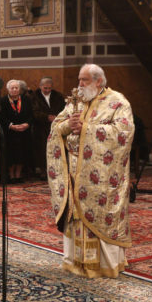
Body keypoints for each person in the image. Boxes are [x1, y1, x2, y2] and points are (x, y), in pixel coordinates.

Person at [48, 64, 134, 279]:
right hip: (74, 172)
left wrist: (86, 128)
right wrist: (68, 125)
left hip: (102, 175)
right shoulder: (76, 100)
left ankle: (104, 264)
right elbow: (57, 126)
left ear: (98, 81)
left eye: (84, 80)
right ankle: (75, 260)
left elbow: (123, 133)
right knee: (76, 215)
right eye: (79, 79)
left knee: (99, 214)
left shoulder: (118, 102)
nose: (80, 84)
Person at [0, 80, 33, 183]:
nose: (14, 90)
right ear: (8, 89)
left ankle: (18, 174)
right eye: (12, 88)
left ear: (20, 89)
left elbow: (31, 114)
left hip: (24, 131)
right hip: (9, 131)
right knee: (11, 154)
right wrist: (11, 126)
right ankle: (11, 175)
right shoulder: (3, 101)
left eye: (16, 88)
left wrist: (27, 124)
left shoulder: (26, 100)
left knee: (21, 153)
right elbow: (1, 116)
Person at [32, 77, 65, 178]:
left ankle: (56, 170)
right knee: (42, 150)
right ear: (40, 86)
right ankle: (43, 170)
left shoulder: (58, 96)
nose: (47, 90)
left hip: (55, 126)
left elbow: (64, 109)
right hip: (41, 127)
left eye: (49, 88)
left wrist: (57, 117)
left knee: (56, 148)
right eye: (45, 88)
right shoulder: (34, 96)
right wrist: (47, 117)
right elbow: (34, 112)